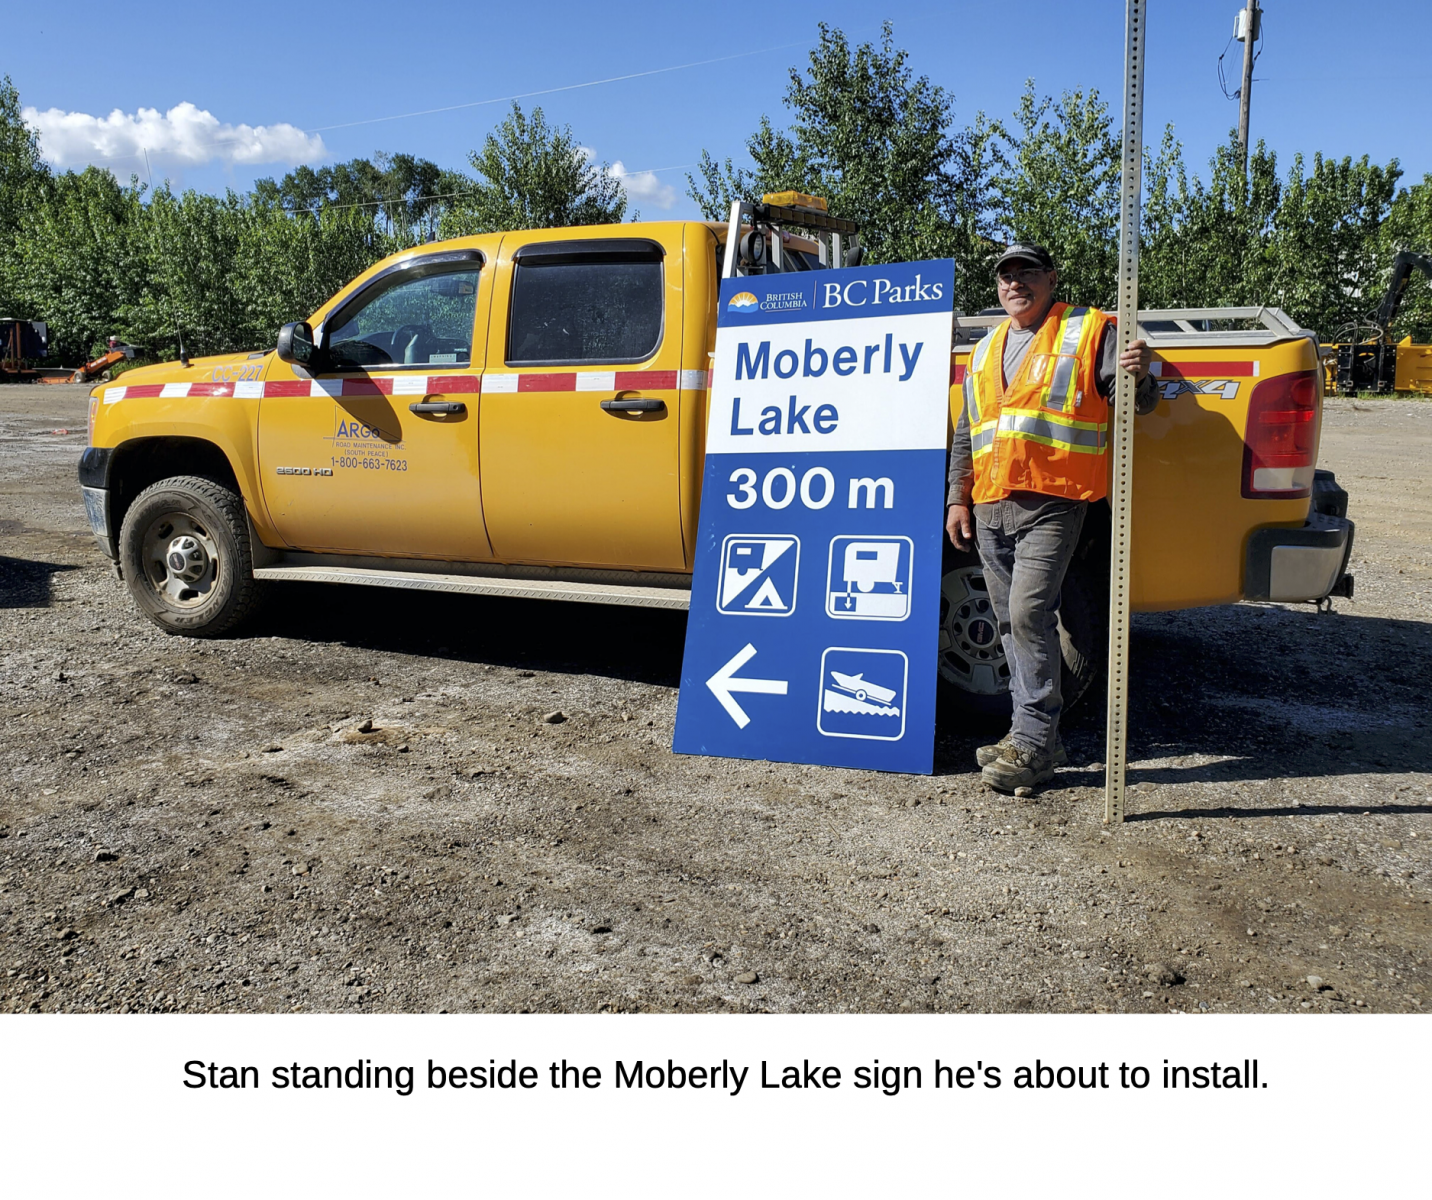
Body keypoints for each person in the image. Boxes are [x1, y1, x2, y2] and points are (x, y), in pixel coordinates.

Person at [946, 243, 1157, 794]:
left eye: (1027, 273)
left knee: (1027, 615)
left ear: (1051, 279)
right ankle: (1027, 732)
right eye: (1005, 276)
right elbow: (969, 433)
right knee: (1009, 624)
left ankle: (1036, 743)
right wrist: (957, 499)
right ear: (997, 289)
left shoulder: (1087, 330)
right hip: (991, 505)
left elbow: (1137, 401)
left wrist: (1142, 376)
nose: (1015, 283)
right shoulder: (986, 348)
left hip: (1054, 501)